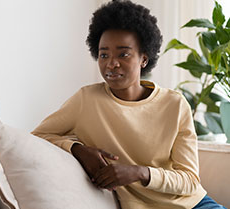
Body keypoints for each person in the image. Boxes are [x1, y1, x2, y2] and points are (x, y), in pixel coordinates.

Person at [32, 1, 226, 209]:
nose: (111, 63)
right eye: (104, 54)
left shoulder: (175, 104)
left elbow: (189, 180)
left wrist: (139, 172)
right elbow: (38, 137)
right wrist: (78, 149)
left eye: (123, 54)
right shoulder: (86, 100)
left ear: (144, 59)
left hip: (194, 205)